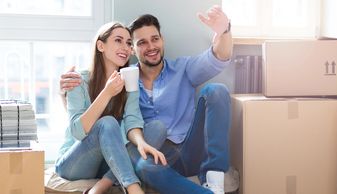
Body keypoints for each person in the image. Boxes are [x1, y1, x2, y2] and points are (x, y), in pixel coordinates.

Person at [60, 5, 232, 194]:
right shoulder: (112, 80)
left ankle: (214, 180)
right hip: (148, 156)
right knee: (139, 158)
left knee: (214, 92)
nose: (151, 47)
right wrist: (65, 94)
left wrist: (224, 31)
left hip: (186, 148)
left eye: (155, 39)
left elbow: (218, 57)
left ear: (162, 41)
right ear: (133, 50)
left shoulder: (178, 70)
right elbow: (80, 128)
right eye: (141, 42)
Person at [55, 21, 166, 194]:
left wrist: (141, 143)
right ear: (101, 45)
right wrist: (107, 93)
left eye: (129, 43)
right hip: (74, 164)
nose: (125, 47)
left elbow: (132, 120)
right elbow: (77, 132)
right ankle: (133, 187)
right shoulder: (78, 80)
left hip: (107, 163)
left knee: (157, 128)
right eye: (118, 40)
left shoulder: (129, 80)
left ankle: (103, 184)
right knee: (107, 122)